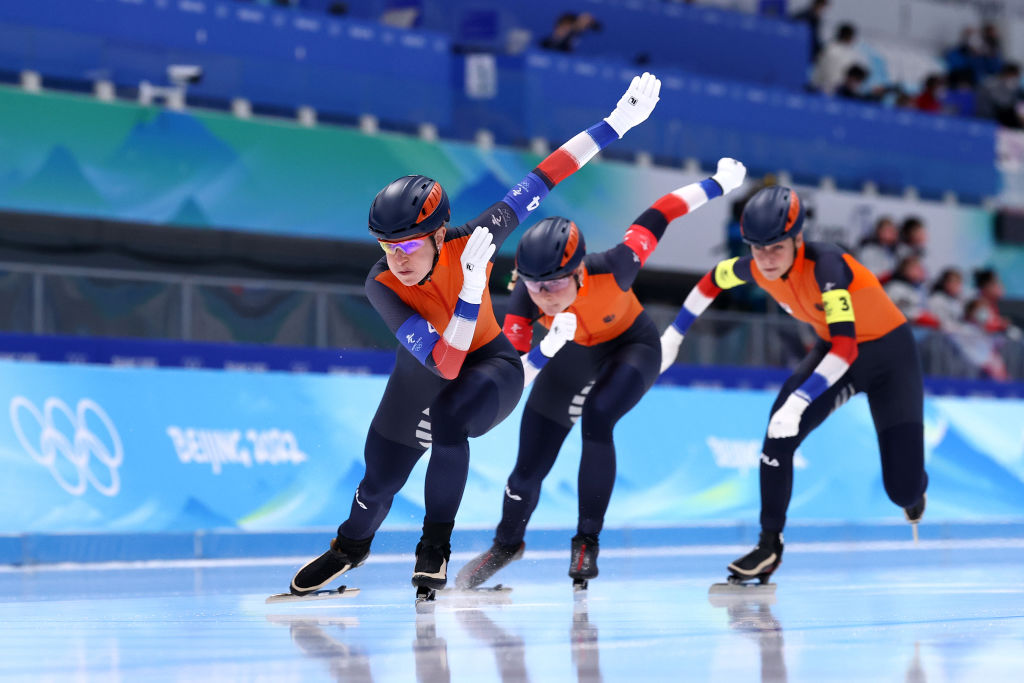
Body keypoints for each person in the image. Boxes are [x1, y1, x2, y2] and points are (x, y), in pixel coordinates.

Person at [288, 72, 663, 597]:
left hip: (490, 366)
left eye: (409, 244)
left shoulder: (480, 236)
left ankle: (434, 546)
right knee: (376, 485)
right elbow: (441, 363)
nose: (397, 258)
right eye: (386, 246)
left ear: (439, 233)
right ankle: (350, 549)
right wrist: (467, 294)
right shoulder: (380, 284)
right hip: (425, 370)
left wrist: (616, 122)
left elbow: (545, 176)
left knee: (448, 420)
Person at [455, 158, 748, 590]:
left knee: (598, 417)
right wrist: (538, 354)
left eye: (553, 285)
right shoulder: (524, 300)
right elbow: (514, 375)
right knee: (526, 468)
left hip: (631, 347)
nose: (544, 298)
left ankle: (586, 540)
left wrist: (718, 183)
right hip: (568, 355)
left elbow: (662, 210)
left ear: (578, 272)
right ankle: (506, 544)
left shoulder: (617, 265)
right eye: (534, 286)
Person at [659, 186, 929, 585]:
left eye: (776, 248)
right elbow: (712, 281)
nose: (766, 259)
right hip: (834, 349)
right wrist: (675, 335)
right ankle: (768, 546)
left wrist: (799, 400)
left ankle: (915, 491)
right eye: (757, 248)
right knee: (777, 437)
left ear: (797, 240)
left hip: (888, 357)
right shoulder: (754, 266)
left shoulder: (827, 267)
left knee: (902, 492)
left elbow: (846, 347)